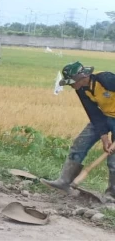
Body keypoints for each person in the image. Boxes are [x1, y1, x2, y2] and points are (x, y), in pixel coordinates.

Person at [42, 61, 115, 199]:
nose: (70, 85)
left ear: (82, 77)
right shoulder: (81, 89)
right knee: (79, 144)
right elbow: (93, 112)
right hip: (104, 117)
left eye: (71, 82)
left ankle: (112, 194)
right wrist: (104, 136)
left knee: (113, 160)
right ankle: (64, 181)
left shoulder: (106, 79)